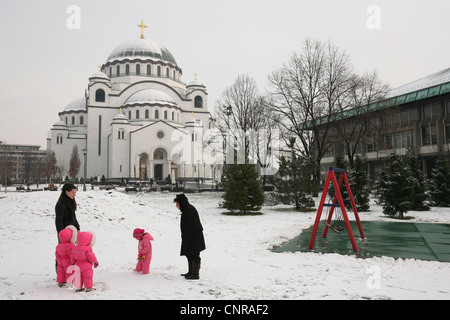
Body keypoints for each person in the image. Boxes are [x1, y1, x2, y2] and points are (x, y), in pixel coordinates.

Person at [174, 194, 206, 280]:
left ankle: (195, 274)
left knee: (194, 254)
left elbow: (192, 226)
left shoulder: (189, 210)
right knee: (189, 254)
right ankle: (190, 272)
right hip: (189, 237)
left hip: (194, 238)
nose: (176, 206)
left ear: (181, 203)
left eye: (177, 204)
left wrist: (187, 238)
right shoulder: (186, 210)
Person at [55, 183, 80, 272]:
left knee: (74, 252)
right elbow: (58, 220)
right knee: (63, 253)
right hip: (65, 233)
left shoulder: (71, 201)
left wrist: (78, 228)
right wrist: (61, 234)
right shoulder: (61, 204)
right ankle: (60, 273)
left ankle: (72, 271)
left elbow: (73, 217)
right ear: (67, 192)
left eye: (75, 192)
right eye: (73, 192)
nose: (74, 194)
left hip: (73, 231)